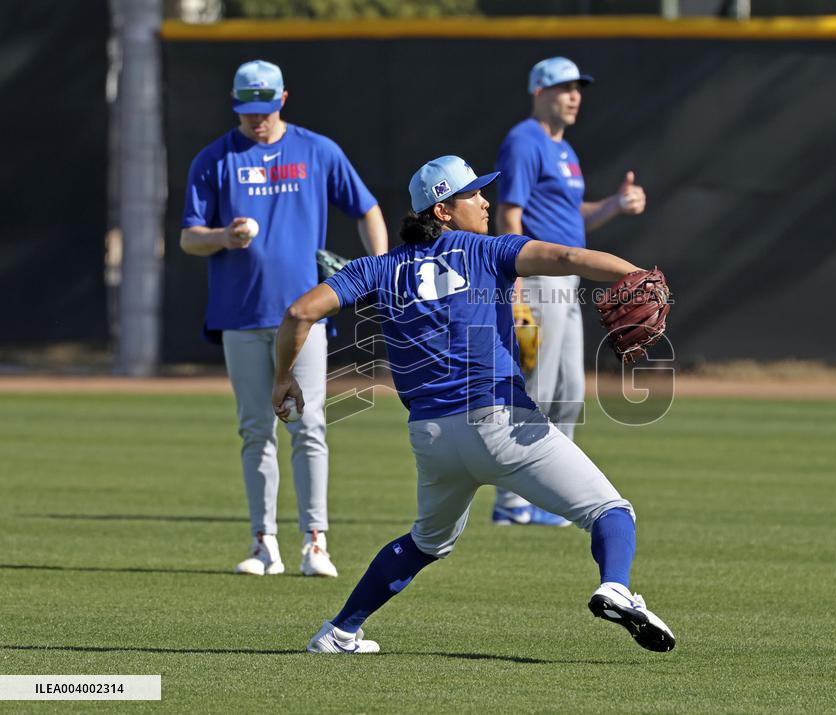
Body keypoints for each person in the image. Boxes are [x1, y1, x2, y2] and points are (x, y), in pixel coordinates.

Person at [271, 155, 675, 654]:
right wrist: (636, 274)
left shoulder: (379, 268)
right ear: (442, 210)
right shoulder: (486, 250)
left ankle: (339, 633)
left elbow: (299, 312)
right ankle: (615, 586)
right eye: (472, 194)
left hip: (432, 437)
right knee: (610, 511)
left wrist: (284, 378)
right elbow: (568, 258)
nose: (485, 202)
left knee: (425, 543)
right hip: (501, 422)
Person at [180, 59, 388, 577]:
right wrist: (222, 237)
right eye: (248, 109)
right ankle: (263, 543)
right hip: (241, 313)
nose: (257, 119)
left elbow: (366, 208)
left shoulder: (317, 151)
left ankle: (315, 543)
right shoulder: (214, 159)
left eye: (266, 108)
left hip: (304, 316)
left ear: (283, 100)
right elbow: (188, 237)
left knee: (309, 425)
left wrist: (381, 269)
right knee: (256, 430)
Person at [491, 57, 648, 527]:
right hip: (538, 278)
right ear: (539, 92)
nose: (575, 96)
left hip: (566, 282)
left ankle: (553, 496)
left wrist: (616, 204)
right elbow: (509, 214)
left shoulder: (563, 149)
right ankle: (510, 500)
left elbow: (572, 219)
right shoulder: (525, 140)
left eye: (578, 88)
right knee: (535, 389)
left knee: (568, 392)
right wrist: (513, 286)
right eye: (564, 88)